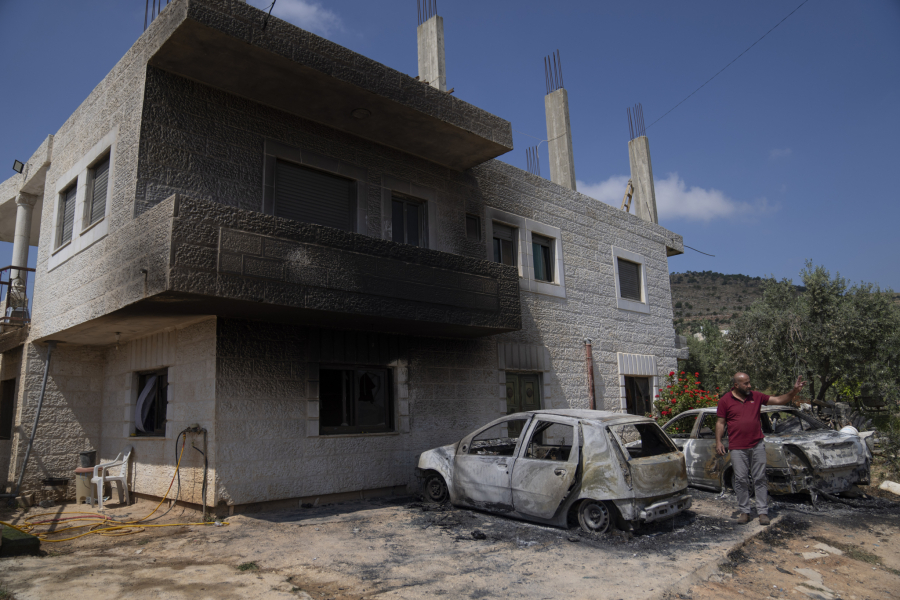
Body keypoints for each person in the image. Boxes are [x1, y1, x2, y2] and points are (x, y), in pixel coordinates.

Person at [715, 372, 805, 525]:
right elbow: (720, 422)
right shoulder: (725, 400)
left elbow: (778, 400)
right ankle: (745, 511)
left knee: (760, 478)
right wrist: (718, 442)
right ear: (736, 385)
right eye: (746, 383)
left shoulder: (756, 396)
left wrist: (794, 391)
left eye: (749, 382)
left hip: (757, 444)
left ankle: (762, 512)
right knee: (741, 480)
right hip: (737, 447)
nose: (749, 386)